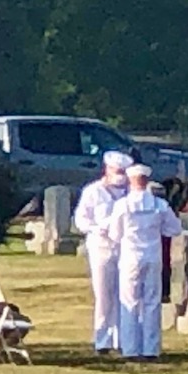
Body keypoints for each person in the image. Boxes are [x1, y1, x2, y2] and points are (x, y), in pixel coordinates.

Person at [107, 164, 183, 360]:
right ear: (147, 181)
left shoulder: (122, 205)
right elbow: (174, 229)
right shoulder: (159, 205)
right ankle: (151, 349)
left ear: (131, 181)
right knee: (151, 302)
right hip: (153, 256)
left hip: (131, 257)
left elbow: (114, 235)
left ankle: (130, 349)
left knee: (129, 302)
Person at [73, 150, 133, 354]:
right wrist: (94, 228)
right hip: (101, 247)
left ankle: (123, 340)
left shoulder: (131, 191)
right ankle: (103, 341)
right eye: (117, 171)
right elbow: (81, 219)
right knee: (104, 294)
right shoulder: (93, 191)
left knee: (125, 294)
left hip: (126, 248)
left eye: (124, 172)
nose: (121, 175)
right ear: (107, 169)